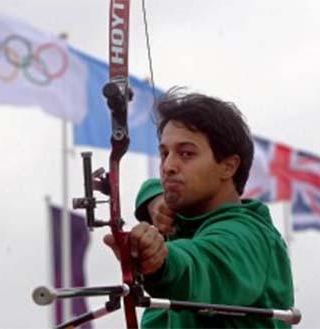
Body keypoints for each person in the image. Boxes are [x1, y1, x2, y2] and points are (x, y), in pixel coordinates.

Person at [104, 88, 295, 328]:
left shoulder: (248, 236)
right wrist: (154, 201)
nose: (168, 166)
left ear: (228, 166)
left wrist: (162, 261)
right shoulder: (181, 223)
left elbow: (202, 265)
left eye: (186, 154)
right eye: (164, 153)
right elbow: (151, 188)